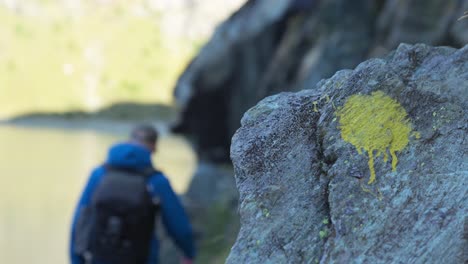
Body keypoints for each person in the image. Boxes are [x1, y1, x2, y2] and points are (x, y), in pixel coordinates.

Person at [70, 124, 195, 264]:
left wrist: (76, 259)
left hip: (99, 258)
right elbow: (179, 226)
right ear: (154, 148)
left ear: (128, 141)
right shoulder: (156, 181)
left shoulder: (99, 174)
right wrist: (188, 254)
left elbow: (80, 219)